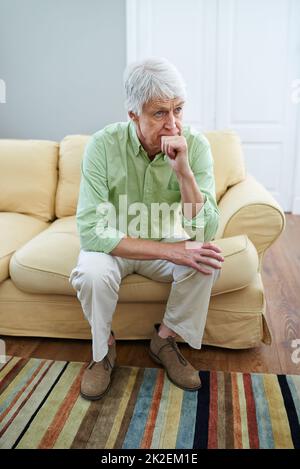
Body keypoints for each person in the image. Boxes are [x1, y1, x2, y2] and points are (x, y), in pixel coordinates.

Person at [69, 57, 224, 401]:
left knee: (206, 261)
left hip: (166, 237)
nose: (173, 125)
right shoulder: (102, 146)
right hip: (114, 244)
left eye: (179, 110)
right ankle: (103, 349)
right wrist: (169, 251)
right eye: (159, 114)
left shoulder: (195, 146)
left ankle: (164, 340)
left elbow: (207, 228)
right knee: (91, 273)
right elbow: (92, 232)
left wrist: (184, 173)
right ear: (133, 114)